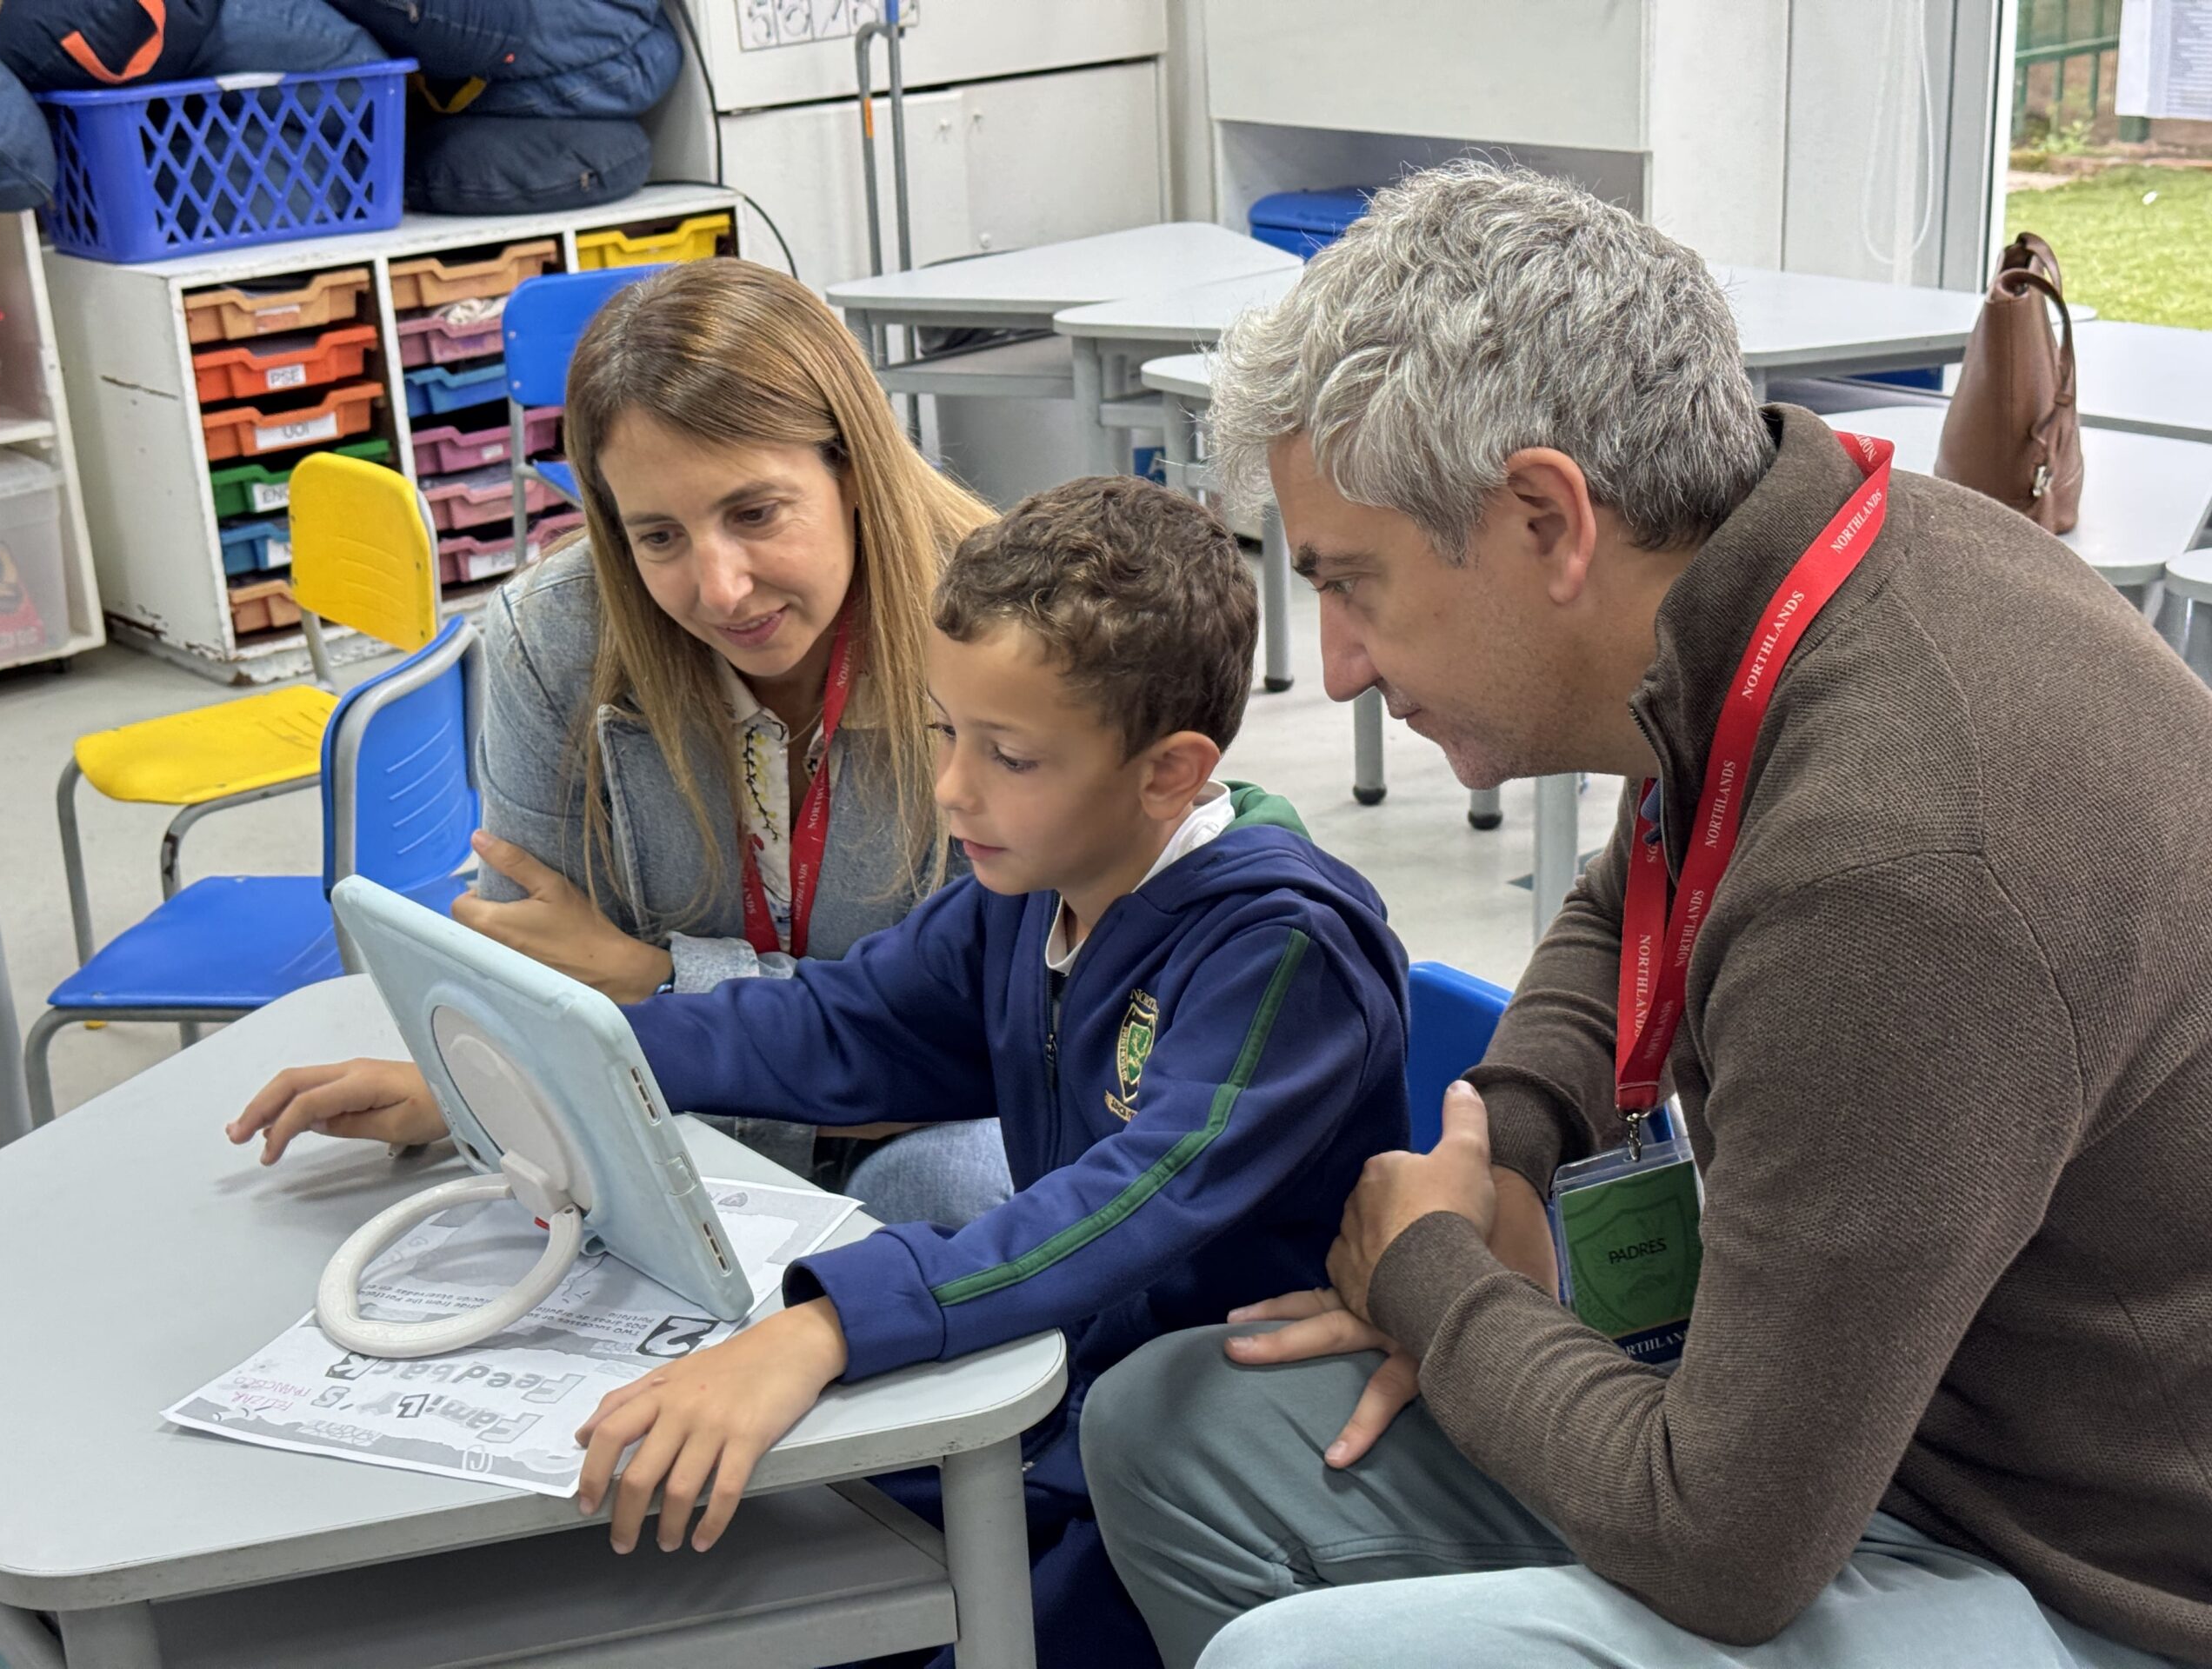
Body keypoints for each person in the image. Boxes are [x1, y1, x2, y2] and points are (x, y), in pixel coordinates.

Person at [1082, 161, 2212, 1669]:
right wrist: (1507, 1128)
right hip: (1871, 1437)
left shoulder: (1893, 868)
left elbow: (1724, 1546)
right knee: (1170, 1430)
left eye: (1354, 585)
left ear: (1548, 516)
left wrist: (1426, 1277)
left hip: (2083, 1576)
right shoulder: (1793, 572)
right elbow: (1638, 895)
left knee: (1286, 1658)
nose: (1337, 668)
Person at [237, 475, 1412, 1667]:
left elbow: (1118, 1208)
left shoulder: (1280, 946)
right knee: (758, 1563)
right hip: (1064, 1379)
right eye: (946, 731)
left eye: (1008, 755)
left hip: (1217, 1446)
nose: (954, 788)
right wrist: (521, 1072)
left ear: (1169, 774)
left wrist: (823, 1330)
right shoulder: (1033, 887)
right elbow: (835, 1024)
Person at [240, 258, 1009, 1225]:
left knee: (948, 1185)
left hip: (926, 1133)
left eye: (754, 513)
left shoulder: (1003, 628)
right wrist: (466, 1086)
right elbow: (542, 982)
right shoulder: (553, 635)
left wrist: (657, 982)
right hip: (669, 1125)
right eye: (659, 537)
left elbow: (990, 1044)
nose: (719, 588)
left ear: (852, 470)